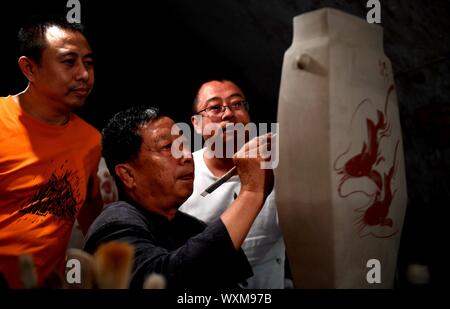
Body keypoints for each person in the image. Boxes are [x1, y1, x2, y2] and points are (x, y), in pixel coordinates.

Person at [83, 106, 274, 288]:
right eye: (168, 147)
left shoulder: (191, 228)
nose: (186, 155)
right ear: (128, 175)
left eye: (184, 145)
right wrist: (250, 194)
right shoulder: (113, 226)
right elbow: (162, 281)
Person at [0, 18, 102, 288]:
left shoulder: (90, 140)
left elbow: (92, 208)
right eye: (69, 62)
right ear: (29, 68)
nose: (83, 74)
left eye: (88, 63)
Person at [179, 79, 286, 288]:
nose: (228, 114)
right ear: (196, 123)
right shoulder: (183, 172)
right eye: (215, 107)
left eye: (237, 104)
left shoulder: (279, 166)